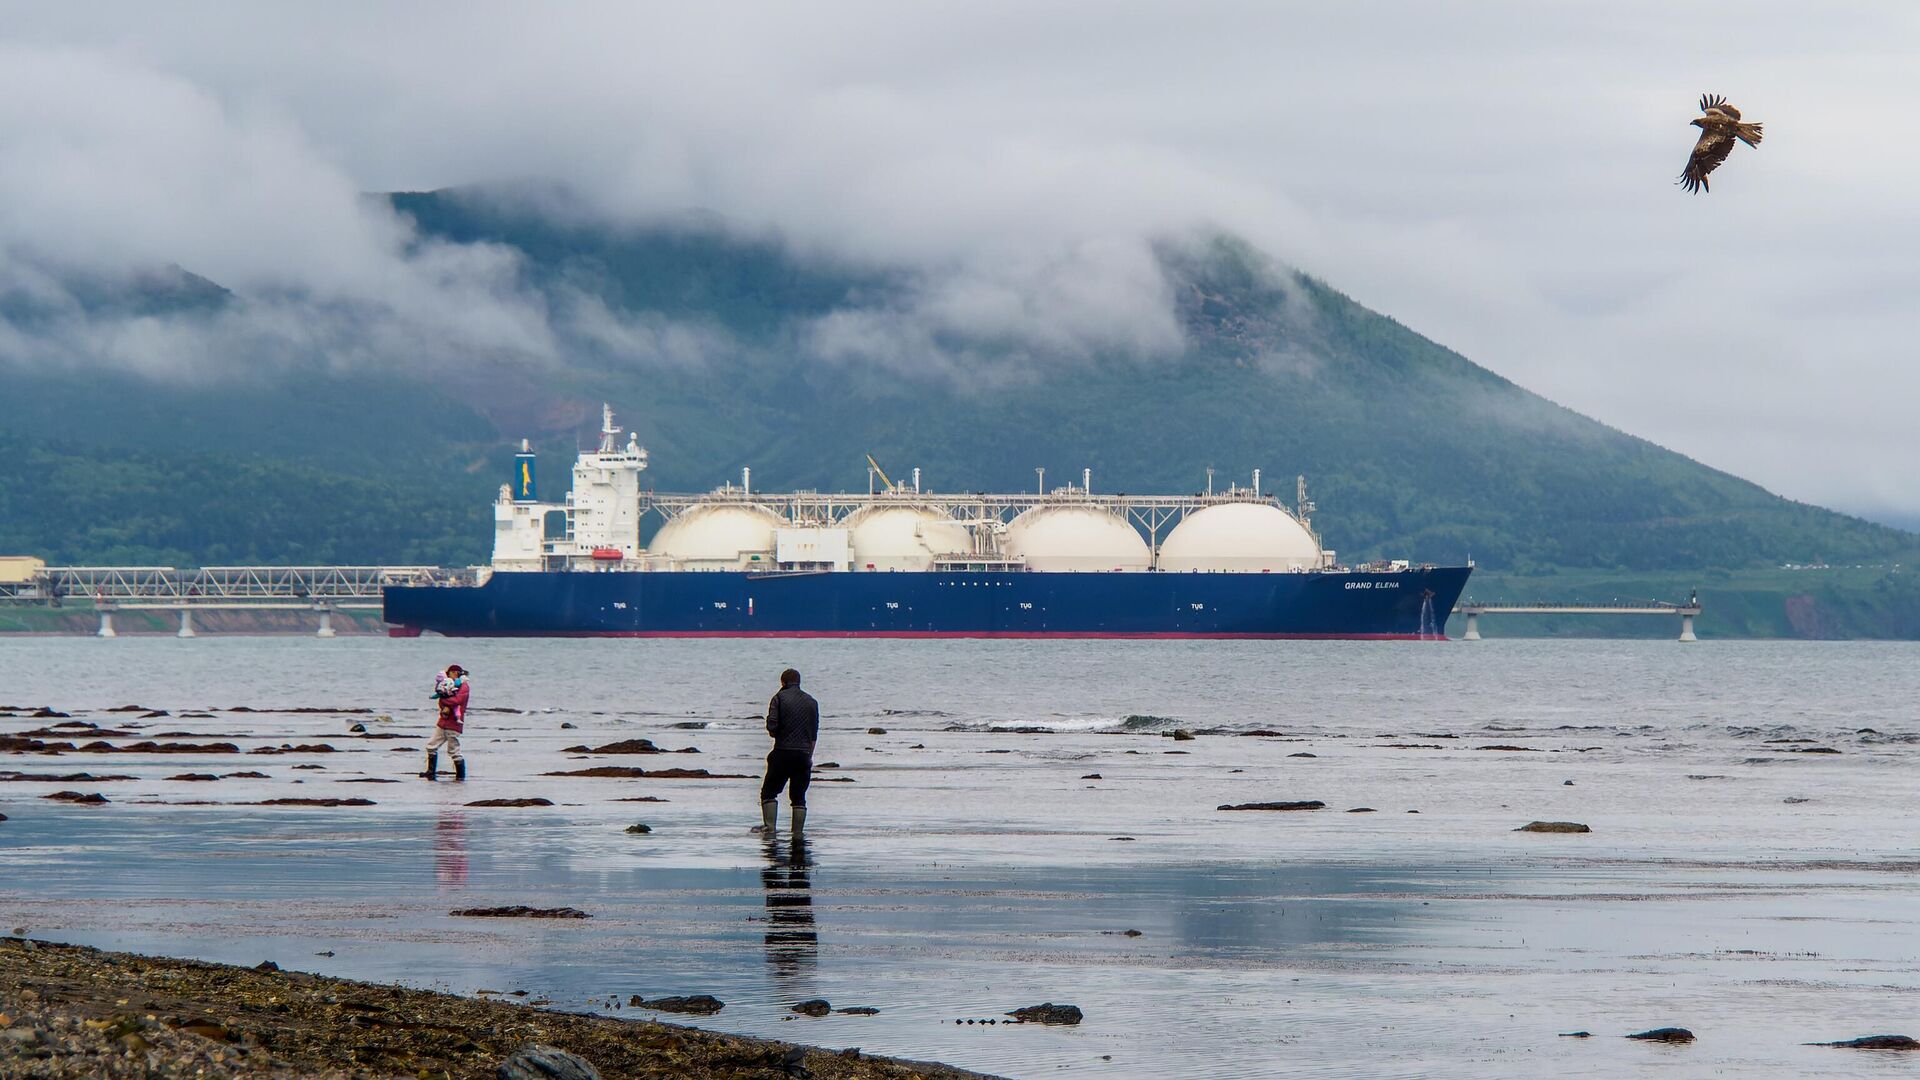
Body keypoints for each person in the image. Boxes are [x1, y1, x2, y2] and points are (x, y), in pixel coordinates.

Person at [755, 668, 818, 834]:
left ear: (783, 682)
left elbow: (772, 727)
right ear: (799, 682)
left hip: (782, 752)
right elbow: (813, 734)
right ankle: (797, 833)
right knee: (799, 798)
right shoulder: (812, 701)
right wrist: (808, 756)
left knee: (768, 792)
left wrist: (776, 731)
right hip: (803, 755)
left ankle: (770, 828)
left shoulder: (778, 699)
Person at [424, 664, 469, 781]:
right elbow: (443, 701)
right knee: (431, 745)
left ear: (457, 673)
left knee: (454, 751)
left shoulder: (464, 686)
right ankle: (430, 772)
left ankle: (460, 776)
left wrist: (443, 699)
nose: (450, 675)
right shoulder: (447, 685)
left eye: (451, 673)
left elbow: (458, 700)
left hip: (454, 723)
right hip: (443, 722)